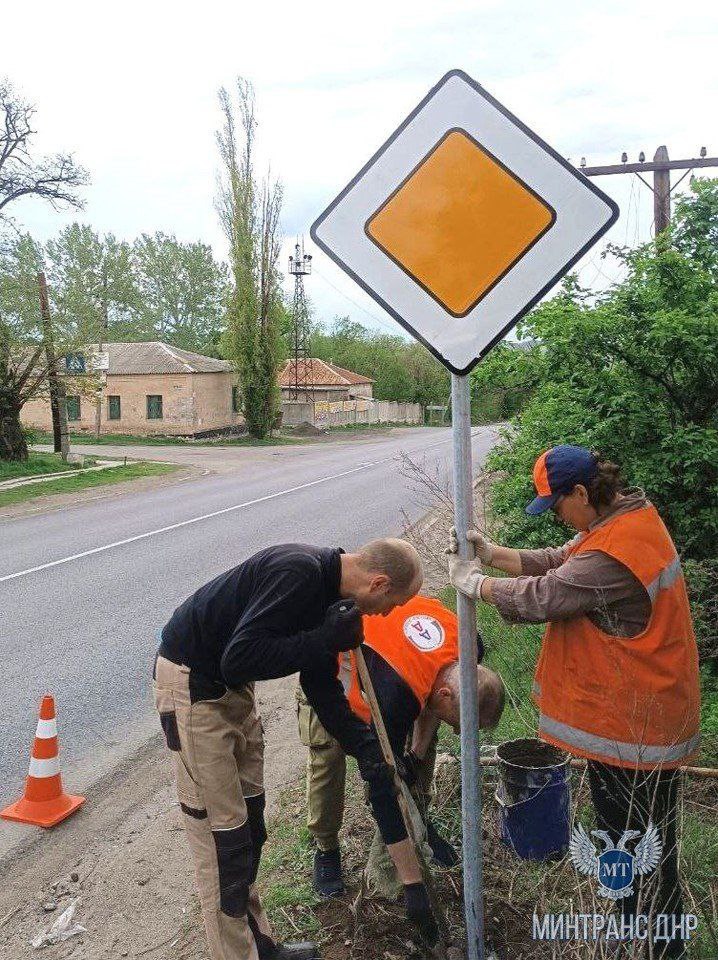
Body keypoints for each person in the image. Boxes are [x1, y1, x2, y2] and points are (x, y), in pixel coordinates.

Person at [448, 445, 701, 959]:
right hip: (641, 717)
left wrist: (477, 585)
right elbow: (560, 561)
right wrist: (493, 555)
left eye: (556, 504)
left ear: (582, 493)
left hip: (637, 727)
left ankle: (653, 943)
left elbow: (546, 594)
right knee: (635, 839)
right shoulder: (624, 521)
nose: (557, 515)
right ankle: (638, 931)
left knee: (638, 843)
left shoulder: (614, 553)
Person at [153, 538, 441, 960]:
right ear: (379, 583)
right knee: (224, 844)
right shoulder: (298, 573)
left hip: (232, 692)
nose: (387, 614)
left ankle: (260, 947)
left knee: (251, 827)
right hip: (194, 689)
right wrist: (323, 639)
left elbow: (320, 684)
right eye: (393, 604)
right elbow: (240, 657)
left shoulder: (330, 593)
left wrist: (366, 749)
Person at [297, 594, 505, 898]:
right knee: (328, 757)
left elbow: (433, 701)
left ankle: (419, 822)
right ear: (446, 695)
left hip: (397, 669)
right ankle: (326, 848)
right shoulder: (394, 697)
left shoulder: (469, 645)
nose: (460, 732)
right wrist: (411, 885)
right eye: (462, 724)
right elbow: (380, 782)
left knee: (418, 750)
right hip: (332, 669)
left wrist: (415, 755)